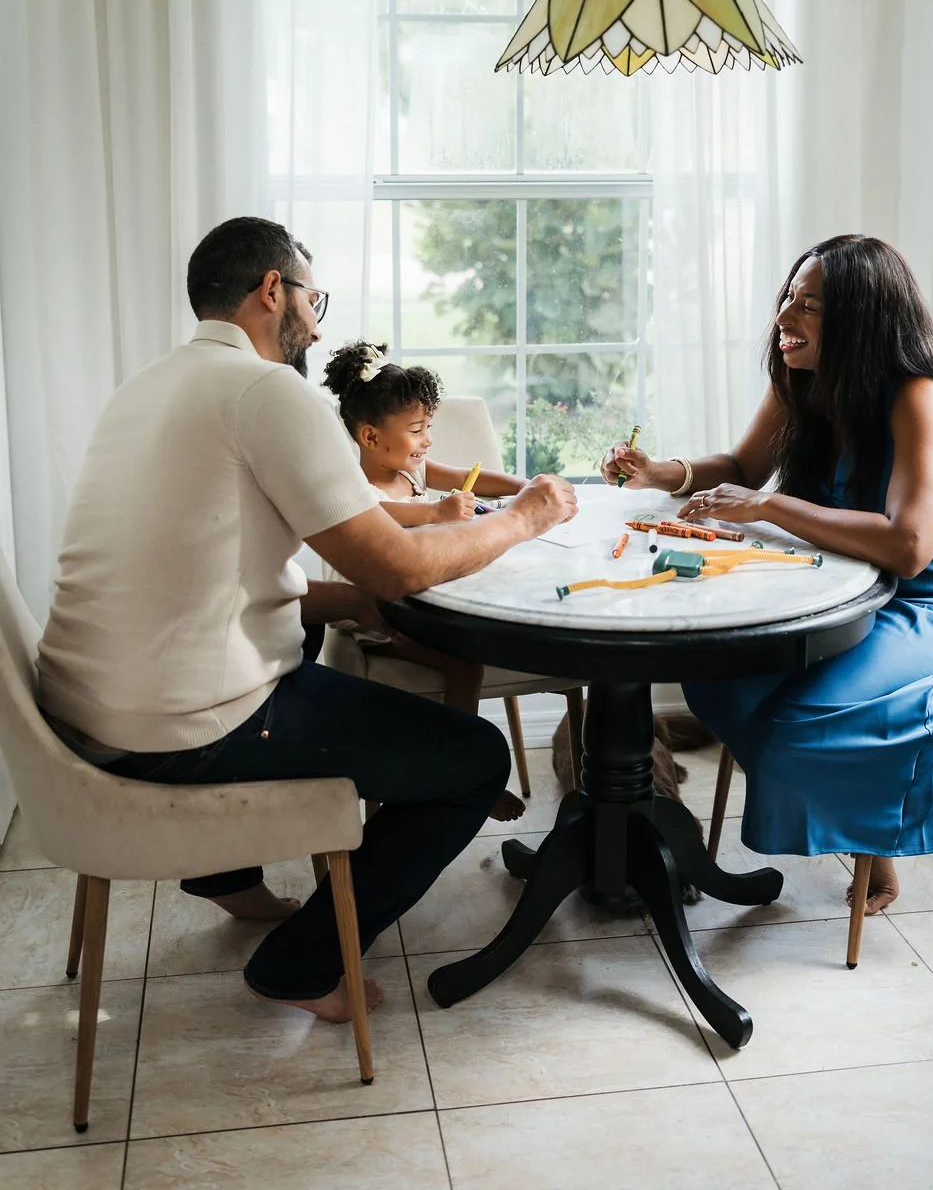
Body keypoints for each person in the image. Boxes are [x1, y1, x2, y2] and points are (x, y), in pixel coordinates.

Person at [37, 217, 576, 1023]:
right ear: (270, 292)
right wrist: (526, 517)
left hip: (90, 714)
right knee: (474, 756)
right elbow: (396, 564)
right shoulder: (264, 390)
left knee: (320, 637)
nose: (317, 324)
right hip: (183, 730)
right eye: (311, 299)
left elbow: (218, 571)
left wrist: (353, 601)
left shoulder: (149, 385)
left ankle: (225, 874)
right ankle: (300, 965)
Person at [603, 234, 933, 915]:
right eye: (787, 298)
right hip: (849, 588)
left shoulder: (919, 399)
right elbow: (741, 469)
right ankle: (863, 823)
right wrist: (663, 473)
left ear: (862, 319)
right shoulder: (801, 379)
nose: (785, 318)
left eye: (810, 305)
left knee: (800, 718)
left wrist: (770, 507)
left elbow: (911, 546)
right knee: (716, 678)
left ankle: (874, 841)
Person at [319, 338, 528, 820]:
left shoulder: (412, 468)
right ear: (371, 437)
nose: (427, 441)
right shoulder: (360, 492)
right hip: (378, 620)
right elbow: (403, 520)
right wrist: (439, 509)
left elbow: (472, 475)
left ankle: (457, 765)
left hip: (425, 603)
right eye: (417, 430)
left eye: (428, 426)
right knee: (465, 665)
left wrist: (527, 487)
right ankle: (463, 773)